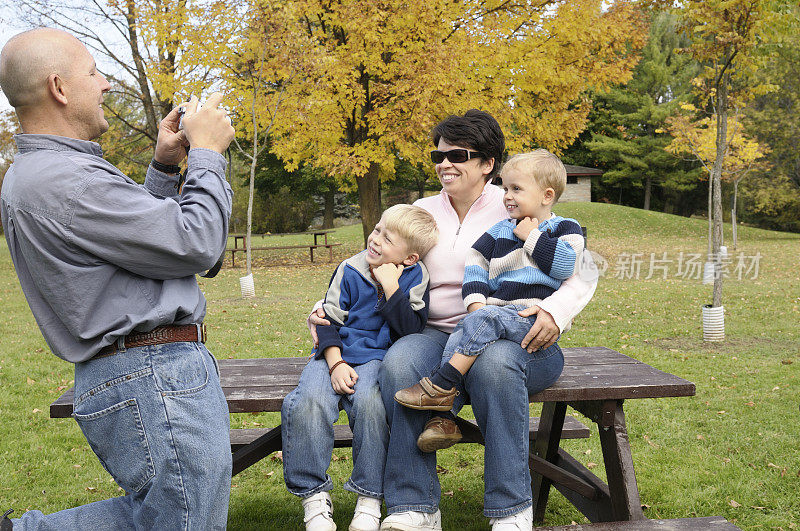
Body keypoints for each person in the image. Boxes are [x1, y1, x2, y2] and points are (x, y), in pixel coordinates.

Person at [309, 110, 596, 530]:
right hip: (436, 334)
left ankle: (512, 510)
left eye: (458, 154)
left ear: (487, 164)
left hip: (518, 338)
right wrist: (329, 304)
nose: (445, 163)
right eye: (438, 155)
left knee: (495, 366)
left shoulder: (518, 201)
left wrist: (556, 310)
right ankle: (415, 506)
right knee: (401, 362)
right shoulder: (421, 210)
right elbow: (380, 259)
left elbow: (586, 269)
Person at [0, 28, 234, 529]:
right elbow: (197, 244)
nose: (106, 84)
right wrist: (209, 153)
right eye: (94, 72)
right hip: (154, 374)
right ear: (60, 88)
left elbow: (139, 249)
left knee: (161, 518)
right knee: (186, 522)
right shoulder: (68, 181)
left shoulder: (44, 173)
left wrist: (164, 169)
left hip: (138, 371)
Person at [394, 149, 585, 417]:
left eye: (516, 189)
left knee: (486, 320)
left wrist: (531, 237)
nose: (507, 195)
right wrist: (475, 303)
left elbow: (568, 265)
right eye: (506, 188)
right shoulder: (499, 231)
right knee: (466, 328)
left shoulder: (565, 228)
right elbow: (476, 263)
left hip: (528, 318)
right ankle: (443, 417)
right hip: (493, 315)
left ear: (547, 196)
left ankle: (440, 384)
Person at [282, 204, 438, 531]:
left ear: (409, 258)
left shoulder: (416, 275)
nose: (376, 238)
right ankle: (314, 498)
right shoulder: (350, 269)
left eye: (388, 238)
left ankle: (369, 498)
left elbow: (410, 329)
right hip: (333, 353)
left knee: (371, 405)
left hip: (378, 358)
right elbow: (327, 321)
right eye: (378, 229)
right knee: (307, 402)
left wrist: (391, 286)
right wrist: (335, 363)